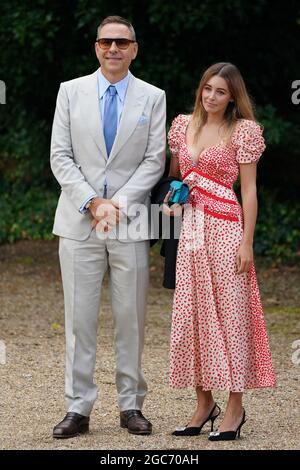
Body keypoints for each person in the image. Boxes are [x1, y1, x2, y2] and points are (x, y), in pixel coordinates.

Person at [50, 15, 166, 438]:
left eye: (121, 42)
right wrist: (93, 202)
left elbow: (155, 160)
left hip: (130, 222)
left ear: (134, 49)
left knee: (130, 317)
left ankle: (131, 405)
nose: (113, 49)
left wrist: (116, 204)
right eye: (105, 42)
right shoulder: (71, 91)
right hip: (80, 221)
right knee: (79, 321)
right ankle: (78, 409)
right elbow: (60, 155)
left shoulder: (153, 97)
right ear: (96, 48)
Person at [165, 62, 276, 441]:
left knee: (231, 316)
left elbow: (249, 191)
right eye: (207, 88)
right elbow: (178, 178)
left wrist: (247, 242)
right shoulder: (183, 124)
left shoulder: (243, 131)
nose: (211, 97)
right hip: (191, 232)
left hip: (227, 230)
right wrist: (173, 198)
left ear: (232, 98)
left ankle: (235, 408)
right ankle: (203, 404)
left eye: (221, 92)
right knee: (192, 316)